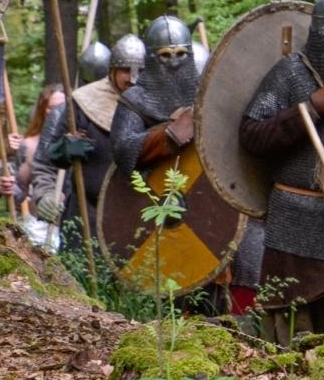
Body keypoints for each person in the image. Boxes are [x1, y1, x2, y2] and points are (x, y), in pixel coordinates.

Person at [239, 0, 324, 345]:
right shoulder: (289, 73)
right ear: (317, 29)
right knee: (292, 330)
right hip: (293, 221)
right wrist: (309, 108)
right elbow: (251, 135)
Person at [31, 34, 145, 244]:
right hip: (87, 215)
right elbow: (45, 163)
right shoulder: (81, 104)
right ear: (112, 70)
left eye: (140, 71)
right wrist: (46, 193)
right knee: (82, 275)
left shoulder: (154, 104)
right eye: (126, 70)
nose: (133, 78)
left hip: (141, 215)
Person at [111, 16, 199, 174]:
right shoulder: (135, 99)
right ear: (151, 58)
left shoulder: (202, 93)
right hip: (154, 187)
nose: (174, 62)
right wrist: (167, 137)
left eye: (180, 53)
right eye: (165, 55)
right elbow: (123, 150)